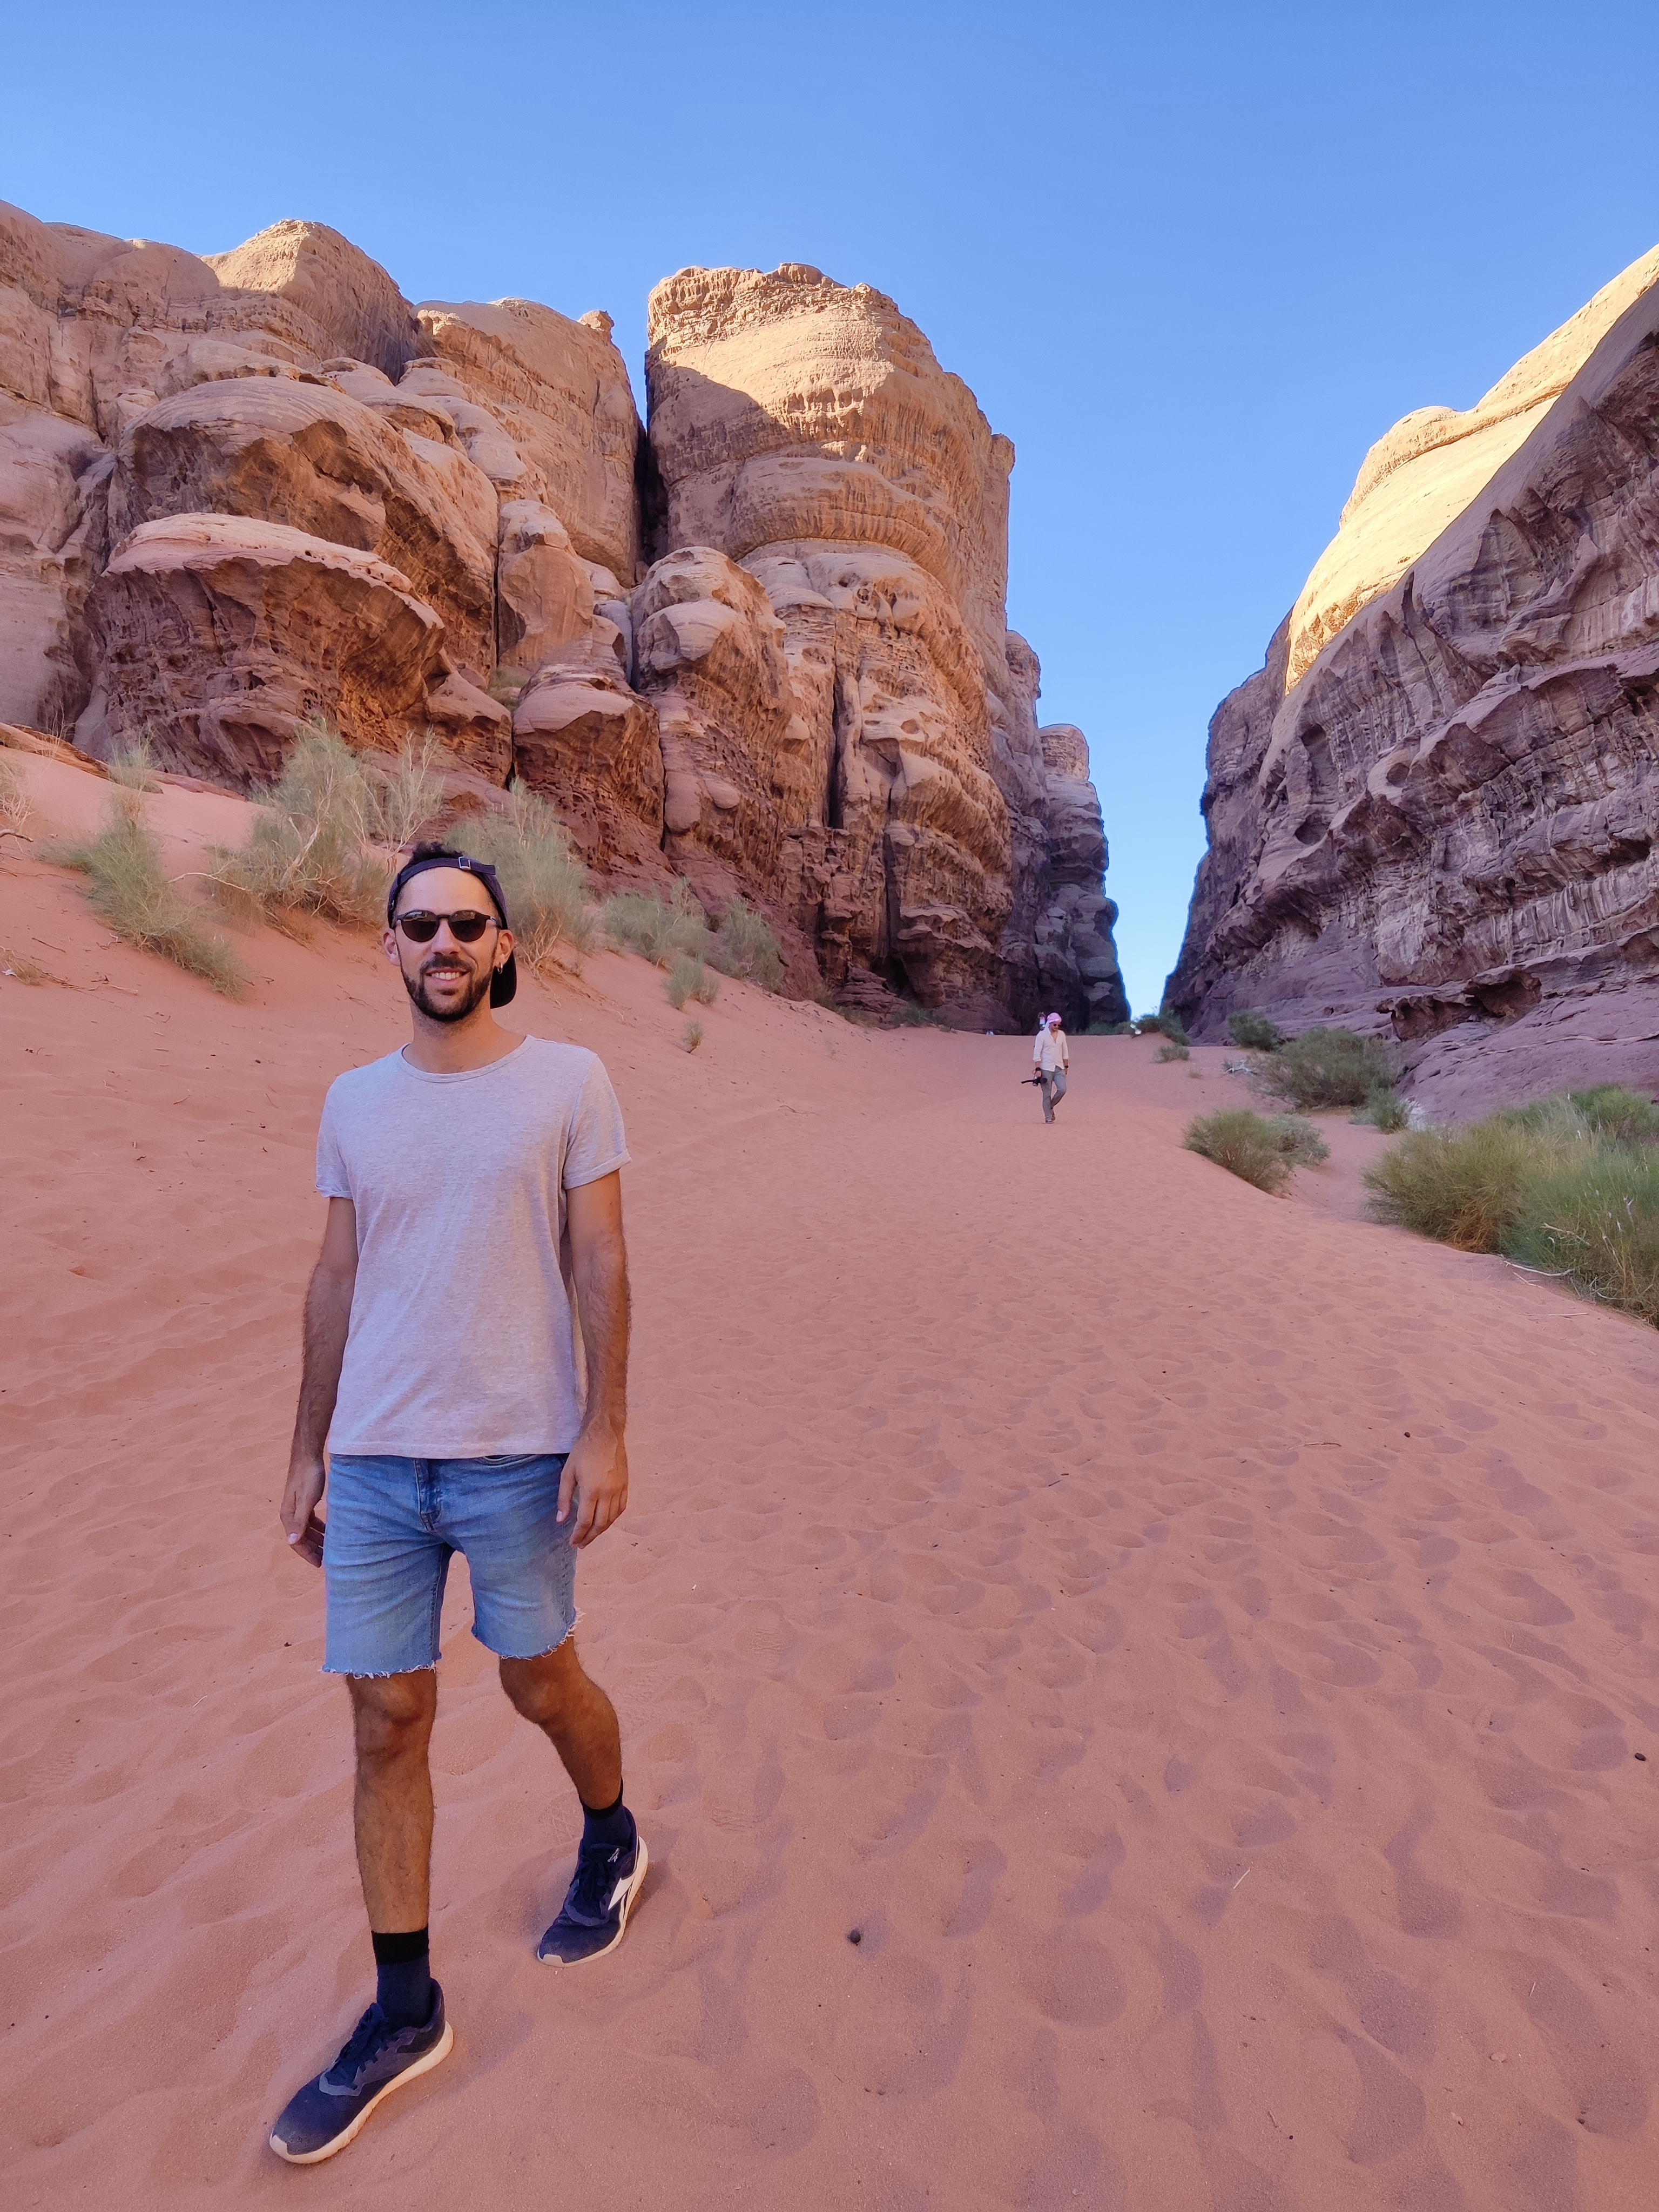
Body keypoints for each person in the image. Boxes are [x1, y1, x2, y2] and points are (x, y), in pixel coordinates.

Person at [269, 842, 645, 2165]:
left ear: (502, 945)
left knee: (540, 1680)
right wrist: (306, 1448)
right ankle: (405, 2006)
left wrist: (605, 1425)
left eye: (467, 925)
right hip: (377, 1458)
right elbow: (335, 1275)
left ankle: (612, 1833)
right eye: (419, 923)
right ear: (389, 944)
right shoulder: (353, 1101)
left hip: (515, 1453)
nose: (443, 944)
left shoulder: (569, 1082)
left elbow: (599, 1252)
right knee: (386, 1720)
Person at [1033, 1012, 1069, 1122]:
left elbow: (1065, 1051)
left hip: (1059, 1067)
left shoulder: (1062, 1035)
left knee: (1063, 1090)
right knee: (1047, 1094)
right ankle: (1048, 1118)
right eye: (1055, 1025)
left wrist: (1066, 1066)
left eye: (1059, 1025)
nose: (1057, 1027)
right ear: (1049, 1023)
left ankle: (1050, 1107)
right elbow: (1037, 1053)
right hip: (1046, 1068)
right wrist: (1038, 1069)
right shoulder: (1041, 1036)